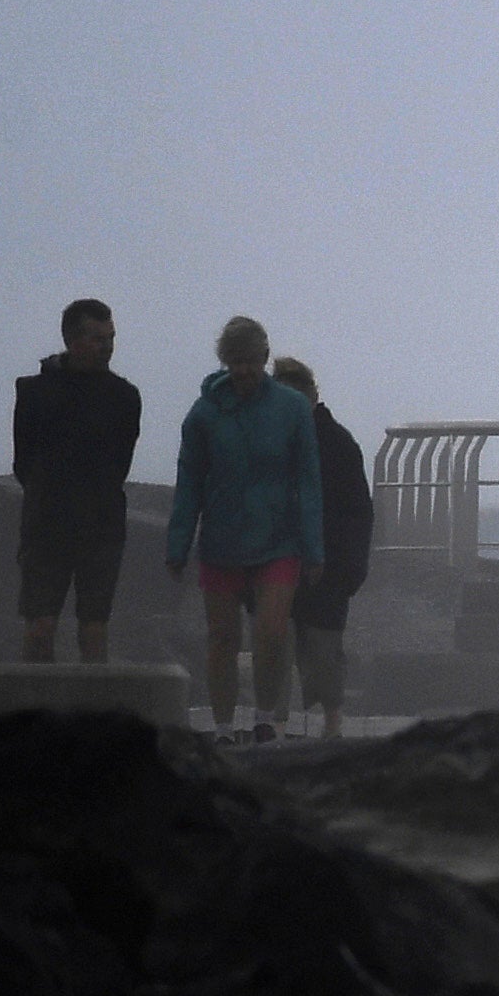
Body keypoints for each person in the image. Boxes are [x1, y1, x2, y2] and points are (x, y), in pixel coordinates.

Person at [162, 315, 321, 735]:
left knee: (270, 634)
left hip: (278, 539)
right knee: (222, 638)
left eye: (252, 360)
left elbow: (308, 482)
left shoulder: (292, 409)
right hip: (221, 539)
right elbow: (189, 480)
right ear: (224, 361)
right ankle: (223, 726)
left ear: (265, 358)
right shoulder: (204, 413)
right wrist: (178, 544)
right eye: (236, 361)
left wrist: (314, 549)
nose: (245, 370)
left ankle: (266, 718)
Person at [12, 297, 142, 662]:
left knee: (94, 629)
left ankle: (92, 715)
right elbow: (24, 461)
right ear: (72, 339)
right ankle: (36, 713)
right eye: (98, 338)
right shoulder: (33, 392)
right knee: (40, 628)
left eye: (111, 338)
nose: (107, 347)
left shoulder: (124, 397)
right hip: (46, 524)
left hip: (101, 526)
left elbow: (120, 463)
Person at [268, 355, 371, 740]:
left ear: (312, 397)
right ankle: (274, 722)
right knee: (273, 643)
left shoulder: (338, 443)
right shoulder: (270, 439)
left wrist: (349, 569)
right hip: (276, 557)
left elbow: (358, 511)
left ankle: (332, 722)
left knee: (324, 648)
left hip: (328, 563)